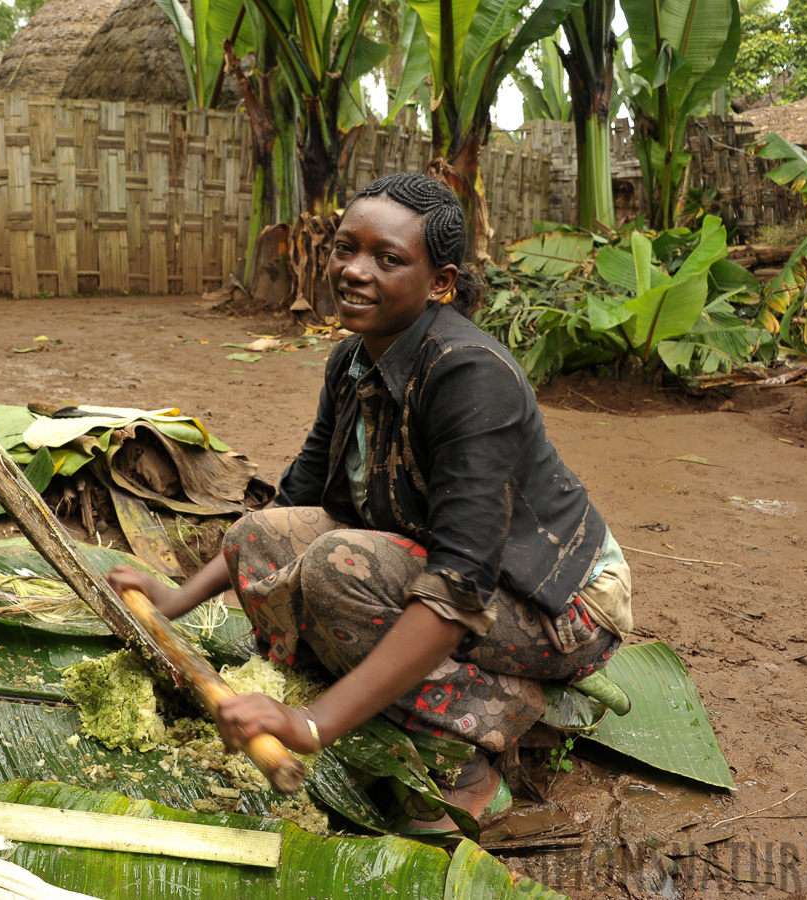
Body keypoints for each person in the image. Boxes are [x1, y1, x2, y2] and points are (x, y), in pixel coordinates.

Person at [107, 172, 632, 829]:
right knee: (259, 540)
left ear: (440, 283)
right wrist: (175, 601)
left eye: (387, 259)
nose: (354, 271)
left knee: (336, 569)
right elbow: (286, 509)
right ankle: (390, 695)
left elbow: (460, 581)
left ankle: (481, 755)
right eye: (343, 248)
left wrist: (308, 725)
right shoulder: (353, 361)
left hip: (559, 602)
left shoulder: (471, 377)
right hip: (448, 569)